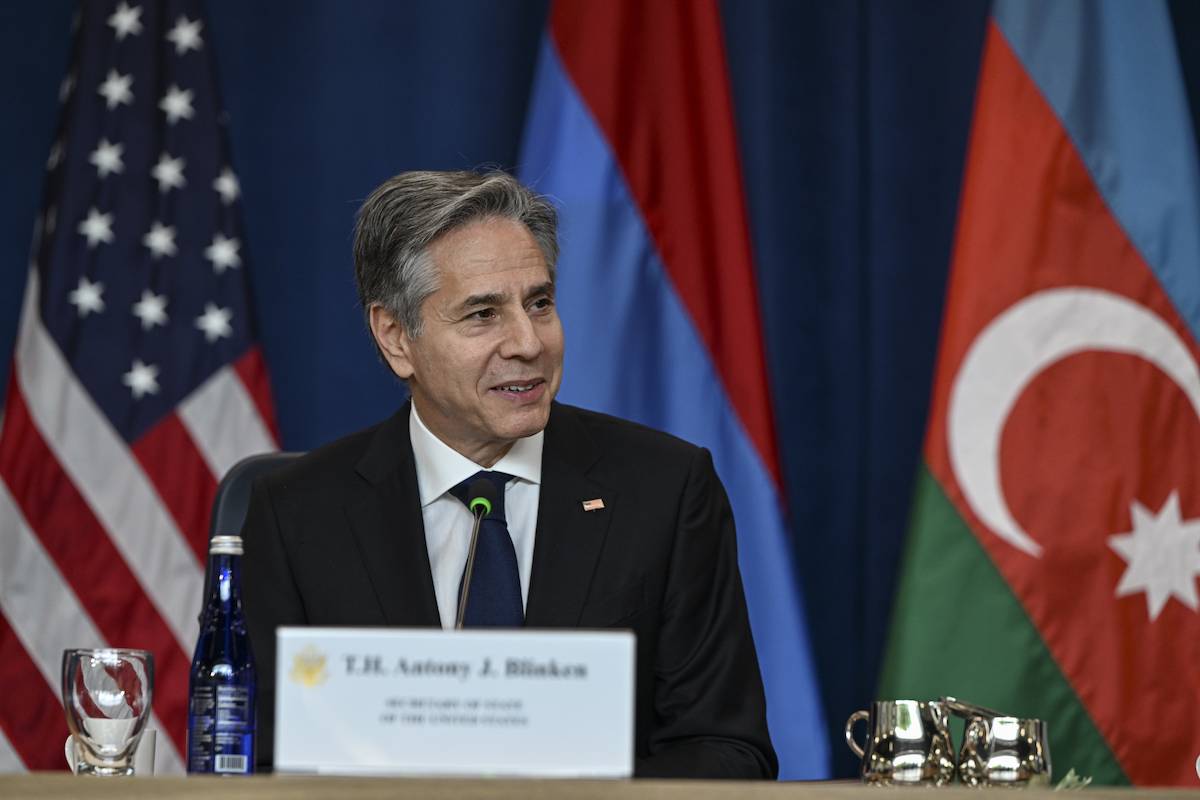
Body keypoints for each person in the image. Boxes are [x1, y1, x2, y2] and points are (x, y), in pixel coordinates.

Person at [241, 170, 778, 778]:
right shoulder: (297, 514)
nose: (528, 342)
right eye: (482, 315)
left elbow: (728, 752)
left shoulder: (666, 489)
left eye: (539, 304)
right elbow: (258, 765)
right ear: (396, 337)